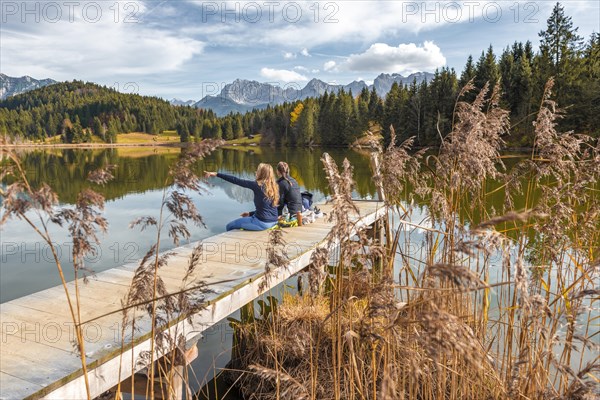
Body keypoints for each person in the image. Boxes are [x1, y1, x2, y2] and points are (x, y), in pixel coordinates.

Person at [204, 163, 279, 231]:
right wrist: (250, 213)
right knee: (244, 222)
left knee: (229, 226)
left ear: (261, 173)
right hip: (274, 221)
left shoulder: (257, 185)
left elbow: (236, 180)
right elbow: (268, 209)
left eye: (258, 170)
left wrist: (216, 174)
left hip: (262, 223)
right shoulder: (274, 187)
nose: (256, 172)